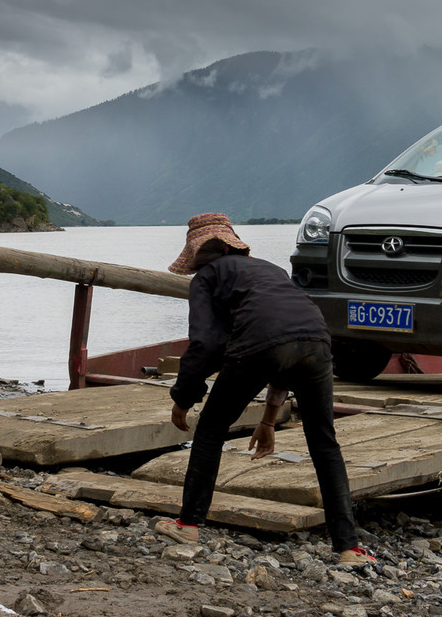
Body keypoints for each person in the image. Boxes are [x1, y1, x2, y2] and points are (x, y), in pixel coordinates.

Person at [154, 213, 375, 566]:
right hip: (317, 342)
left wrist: (183, 397)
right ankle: (349, 548)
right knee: (324, 442)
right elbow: (285, 343)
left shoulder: (206, 278)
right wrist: (268, 420)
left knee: (211, 430)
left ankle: (188, 524)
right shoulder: (268, 270)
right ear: (233, 245)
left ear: (197, 256)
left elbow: (207, 345)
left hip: (263, 344)